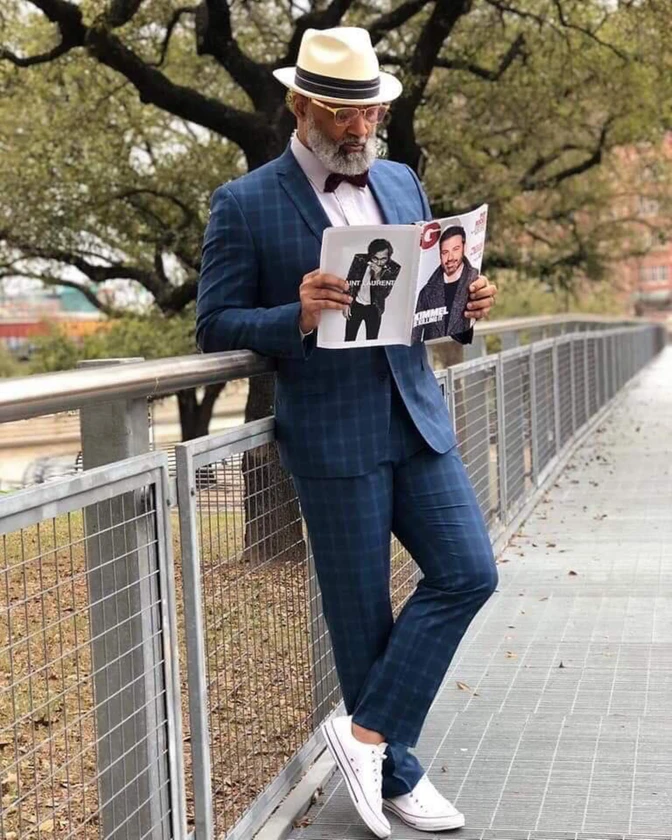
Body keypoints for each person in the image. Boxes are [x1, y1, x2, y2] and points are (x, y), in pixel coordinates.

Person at [196, 26, 499, 839]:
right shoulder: (244, 203)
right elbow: (214, 323)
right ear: (299, 106)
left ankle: (364, 738)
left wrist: (463, 305)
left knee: (470, 572)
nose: (360, 128)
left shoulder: (401, 181)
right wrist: (293, 315)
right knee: (361, 619)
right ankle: (398, 778)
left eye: (371, 113)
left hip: (416, 418)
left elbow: (424, 305)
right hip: (332, 435)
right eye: (341, 114)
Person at [412, 225, 477, 343]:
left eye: (456, 249)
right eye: (445, 252)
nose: (450, 258)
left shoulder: (475, 278)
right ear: (440, 255)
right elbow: (414, 336)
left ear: (464, 248)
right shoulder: (426, 292)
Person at [344, 238, 400, 341]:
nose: (379, 262)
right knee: (349, 339)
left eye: (383, 259)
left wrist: (378, 277)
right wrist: (346, 303)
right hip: (356, 305)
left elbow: (384, 294)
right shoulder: (360, 259)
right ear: (370, 255)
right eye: (375, 258)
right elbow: (350, 281)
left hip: (374, 308)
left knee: (372, 341)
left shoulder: (393, 268)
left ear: (389, 257)